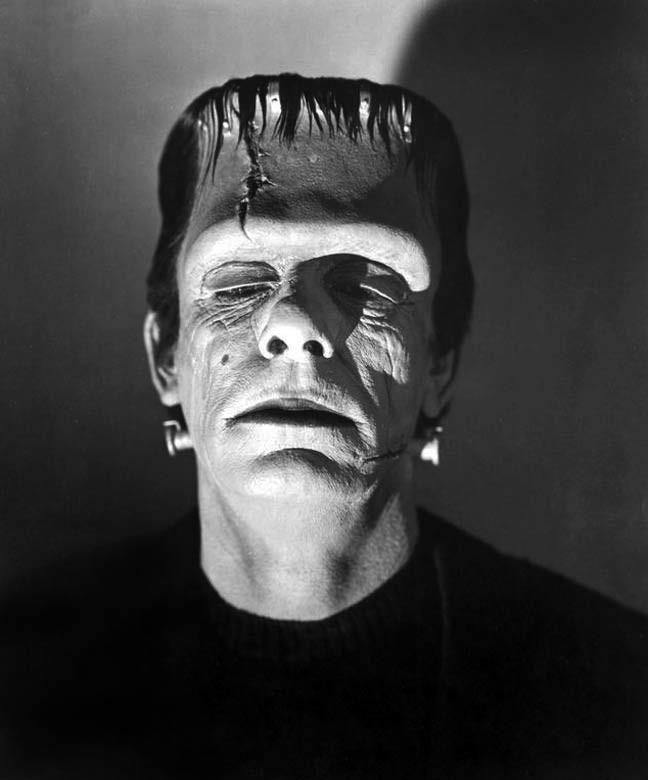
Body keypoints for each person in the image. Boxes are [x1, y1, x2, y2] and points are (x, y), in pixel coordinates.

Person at [2, 74, 647, 779]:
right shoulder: (23, 682)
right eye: (238, 279)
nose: (296, 325)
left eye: (364, 276)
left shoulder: (618, 696)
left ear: (439, 363)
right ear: (166, 358)